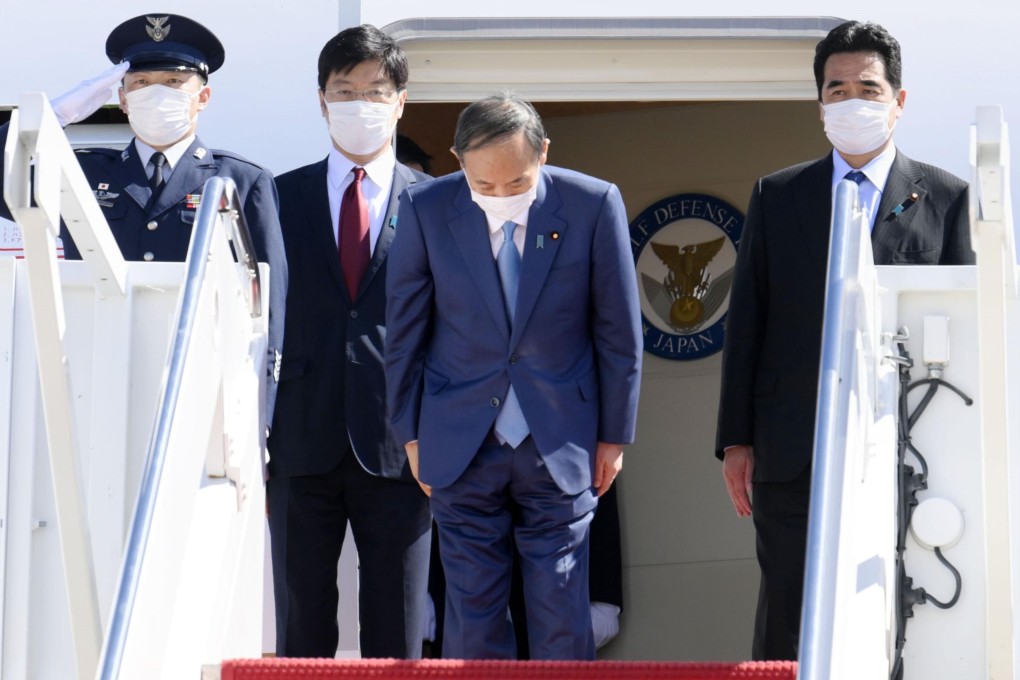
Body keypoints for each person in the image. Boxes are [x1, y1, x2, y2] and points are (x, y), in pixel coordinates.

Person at [715, 20, 974, 661]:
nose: (852, 99)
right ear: (820, 104)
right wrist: (735, 440)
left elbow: (964, 332)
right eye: (837, 89)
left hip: (908, 446)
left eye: (868, 86)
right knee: (790, 610)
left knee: (896, 606)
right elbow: (747, 321)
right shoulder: (778, 196)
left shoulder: (945, 197)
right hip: (791, 446)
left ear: (899, 100)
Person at [385, 93, 642, 660]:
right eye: (485, 186)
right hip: (458, 441)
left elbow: (619, 332)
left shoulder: (593, 203)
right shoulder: (426, 208)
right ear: (457, 161)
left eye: (517, 184)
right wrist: (409, 435)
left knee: (561, 608)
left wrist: (614, 437)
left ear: (544, 153)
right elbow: (403, 332)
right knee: (472, 616)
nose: (502, 197)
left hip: (562, 436)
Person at [0, 12, 287, 420]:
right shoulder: (81, 171)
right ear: (122, 97)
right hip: (95, 381)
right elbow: (7, 184)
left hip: (202, 389)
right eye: (141, 83)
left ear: (202, 97)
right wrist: (48, 121)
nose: (156, 93)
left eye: (173, 83)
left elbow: (268, 311)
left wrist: (261, 419)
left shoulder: (240, 180)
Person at [266, 25, 432, 659]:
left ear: (400, 100)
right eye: (346, 91)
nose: (360, 103)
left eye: (376, 90)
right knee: (301, 631)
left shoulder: (436, 203)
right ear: (321, 99)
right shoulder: (278, 196)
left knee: (398, 631)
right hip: (299, 442)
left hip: (402, 446)